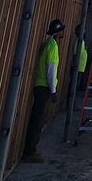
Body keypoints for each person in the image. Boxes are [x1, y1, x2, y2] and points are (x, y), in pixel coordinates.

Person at [22, 19, 65, 162]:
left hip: (39, 85)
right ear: (58, 32)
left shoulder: (47, 44)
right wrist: (53, 91)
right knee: (37, 120)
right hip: (44, 87)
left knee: (36, 118)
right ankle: (30, 151)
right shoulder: (53, 46)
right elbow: (51, 70)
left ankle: (30, 149)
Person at [74, 24, 89, 91]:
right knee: (75, 84)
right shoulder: (79, 42)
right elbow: (75, 54)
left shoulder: (82, 41)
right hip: (78, 67)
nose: (84, 32)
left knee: (77, 84)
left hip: (81, 67)